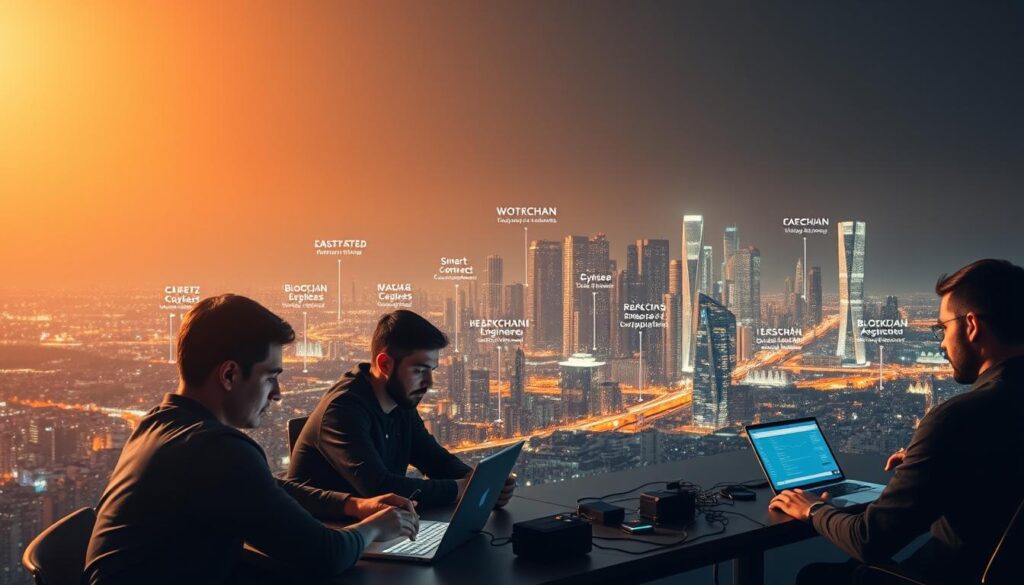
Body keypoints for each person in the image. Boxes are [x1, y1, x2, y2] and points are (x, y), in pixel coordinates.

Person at [85, 294, 419, 585]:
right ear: (229, 374)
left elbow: (267, 488)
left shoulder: (160, 424)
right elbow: (324, 556)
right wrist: (375, 527)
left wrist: (353, 505)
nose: (277, 393)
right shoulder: (217, 449)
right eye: (270, 376)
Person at [769, 259, 1024, 584]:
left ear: (972, 326)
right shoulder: (977, 423)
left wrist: (811, 509)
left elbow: (868, 540)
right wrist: (932, 461)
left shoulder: (957, 419)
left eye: (943, 328)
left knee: (817, 577)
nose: (943, 343)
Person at [287, 309, 516, 507]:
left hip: (377, 528)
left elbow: (434, 459)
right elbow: (379, 488)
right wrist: (461, 490)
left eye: (431, 370)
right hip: (329, 537)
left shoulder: (400, 403)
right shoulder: (342, 410)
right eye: (418, 370)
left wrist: (480, 482)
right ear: (385, 364)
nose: (429, 382)